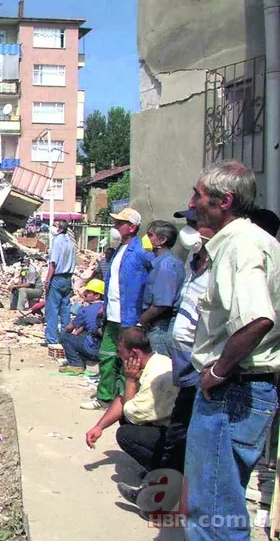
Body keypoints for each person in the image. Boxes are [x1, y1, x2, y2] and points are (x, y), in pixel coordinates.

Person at [183, 160, 280, 539]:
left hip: (231, 392)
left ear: (223, 201)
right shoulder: (257, 242)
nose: (192, 203)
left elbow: (258, 318)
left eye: (198, 195)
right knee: (223, 501)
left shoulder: (239, 245)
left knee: (212, 511)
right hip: (246, 389)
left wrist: (218, 370)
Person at [117, 209, 215, 506]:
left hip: (199, 366)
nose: (190, 230)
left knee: (178, 434)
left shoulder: (170, 266)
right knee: (176, 435)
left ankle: (163, 497)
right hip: (189, 364)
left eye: (195, 224)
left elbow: (161, 303)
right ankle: (159, 493)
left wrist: (138, 325)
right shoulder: (191, 263)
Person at [83, 207, 151, 411]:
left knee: (127, 359)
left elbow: (148, 278)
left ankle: (124, 399)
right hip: (112, 314)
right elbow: (112, 282)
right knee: (106, 354)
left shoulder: (140, 252)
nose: (116, 226)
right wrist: (105, 305)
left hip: (129, 315)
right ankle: (104, 396)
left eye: (120, 223)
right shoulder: (119, 249)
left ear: (132, 227)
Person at [85, 327, 179, 473]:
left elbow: (131, 415)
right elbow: (123, 399)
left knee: (126, 435)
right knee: (125, 411)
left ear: (134, 353)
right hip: (165, 422)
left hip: (175, 433)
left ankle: (165, 473)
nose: (118, 356)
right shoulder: (156, 360)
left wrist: (130, 381)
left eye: (120, 352)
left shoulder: (156, 376)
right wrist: (99, 427)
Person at [137, 220, 185, 356]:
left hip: (160, 326)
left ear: (162, 240)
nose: (146, 238)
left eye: (150, 235)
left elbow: (162, 304)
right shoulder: (158, 262)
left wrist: (142, 321)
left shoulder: (166, 266)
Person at [58, 279, 105, 373]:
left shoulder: (85, 310)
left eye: (88, 292)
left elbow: (69, 328)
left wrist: (65, 337)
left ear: (97, 295)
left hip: (93, 348)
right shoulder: (105, 308)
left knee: (65, 337)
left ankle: (76, 364)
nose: (84, 294)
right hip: (104, 349)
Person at [44, 220, 77, 348]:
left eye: (55, 225)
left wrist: (47, 280)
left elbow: (53, 263)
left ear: (59, 229)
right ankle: (65, 337)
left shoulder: (57, 242)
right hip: (68, 278)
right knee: (65, 309)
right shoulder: (70, 242)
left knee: (52, 309)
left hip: (57, 278)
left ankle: (52, 339)